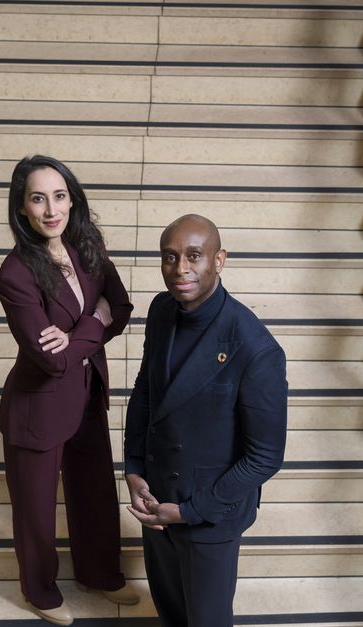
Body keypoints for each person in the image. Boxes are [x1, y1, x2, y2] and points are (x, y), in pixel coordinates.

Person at [123, 214, 288, 626]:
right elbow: (146, 390)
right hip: (156, 498)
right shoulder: (161, 309)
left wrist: (190, 511)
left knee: (207, 620)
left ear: (219, 260)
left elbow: (265, 457)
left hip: (210, 514)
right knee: (169, 608)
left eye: (194, 256)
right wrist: (134, 467)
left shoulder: (256, 348)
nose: (180, 268)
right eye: (170, 256)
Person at [0, 155, 139, 625]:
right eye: (38, 199)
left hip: (87, 390)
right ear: (22, 208)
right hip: (37, 406)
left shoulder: (87, 245)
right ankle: (39, 591)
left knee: (94, 490)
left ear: (72, 199)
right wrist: (94, 320)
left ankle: (99, 573)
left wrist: (79, 332)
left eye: (59, 196)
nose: (51, 209)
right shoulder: (16, 274)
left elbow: (120, 307)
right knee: (35, 509)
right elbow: (53, 359)